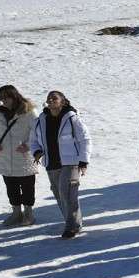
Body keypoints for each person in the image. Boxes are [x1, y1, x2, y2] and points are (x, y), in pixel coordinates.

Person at [29, 90, 91, 239]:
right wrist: (37, 151)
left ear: (63, 101)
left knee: (68, 193)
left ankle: (73, 226)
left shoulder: (71, 118)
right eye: (49, 98)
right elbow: (33, 140)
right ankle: (72, 221)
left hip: (71, 162)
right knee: (59, 194)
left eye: (54, 98)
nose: (51, 100)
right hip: (51, 162)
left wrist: (83, 160)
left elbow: (85, 139)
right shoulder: (41, 120)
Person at [0, 85, 38, 226]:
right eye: (1, 97)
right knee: (11, 187)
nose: (4, 100)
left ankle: (28, 213)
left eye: (7, 96)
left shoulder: (28, 112)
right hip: (5, 157)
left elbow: (37, 131)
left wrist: (28, 144)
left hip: (24, 156)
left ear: (15, 96)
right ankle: (16, 212)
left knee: (27, 187)